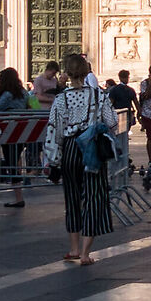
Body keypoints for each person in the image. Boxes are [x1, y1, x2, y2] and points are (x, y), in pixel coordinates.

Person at [42, 49, 117, 266]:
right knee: (94, 198)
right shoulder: (98, 95)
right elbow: (112, 122)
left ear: (67, 73)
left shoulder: (60, 99)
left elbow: (54, 131)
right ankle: (85, 253)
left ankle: (73, 249)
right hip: (91, 148)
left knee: (72, 199)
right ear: (86, 73)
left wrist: (53, 161)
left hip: (71, 150)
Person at [0, 65, 33, 208]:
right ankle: (19, 194)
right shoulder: (24, 92)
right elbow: (33, 106)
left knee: (12, 162)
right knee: (15, 160)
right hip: (21, 131)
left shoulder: (7, 95)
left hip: (9, 132)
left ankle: (18, 197)